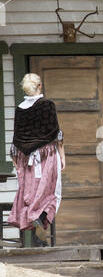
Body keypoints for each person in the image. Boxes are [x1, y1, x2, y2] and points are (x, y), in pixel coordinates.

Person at [8, 73, 65, 246]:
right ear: (40, 86)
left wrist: (15, 160)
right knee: (50, 192)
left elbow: (16, 139)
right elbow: (56, 133)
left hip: (25, 159)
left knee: (30, 194)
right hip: (46, 155)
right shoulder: (47, 105)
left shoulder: (20, 108)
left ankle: (35, 238)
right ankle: (38, 217)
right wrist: (62, 155)